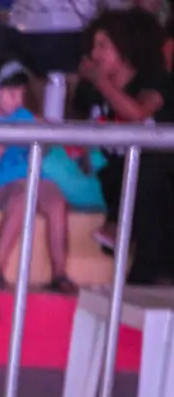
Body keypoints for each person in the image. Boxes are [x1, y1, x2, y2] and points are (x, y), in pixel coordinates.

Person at [73, 7, 174, 284]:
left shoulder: (154, 82)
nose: (94, 54)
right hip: (111, 178)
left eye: (102, 46)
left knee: (149, 169)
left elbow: (137, 113)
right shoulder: (88, 90)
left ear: (125, 50)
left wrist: (101, 82)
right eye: (93, 46)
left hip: (158, 183)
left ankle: (145, 272)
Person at [0, 59, 76, 293]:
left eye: (21, 94)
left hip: (35, 178)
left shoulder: (24, 115)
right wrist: (1, 143)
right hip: (2, 185)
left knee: (57, 201)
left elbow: (46, 145)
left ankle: (60, 273)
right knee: (22, 198)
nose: (18, 100)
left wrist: (44, 130)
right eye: (12, 93)